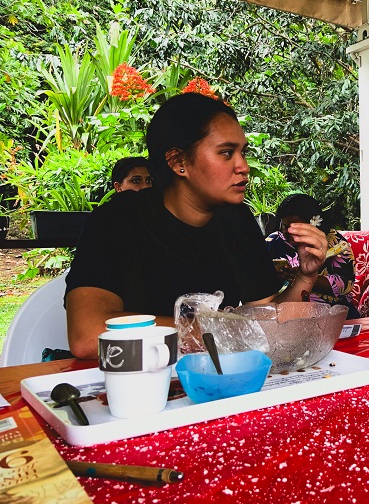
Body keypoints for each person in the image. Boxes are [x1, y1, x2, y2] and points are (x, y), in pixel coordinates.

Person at [65, 93, 328, 359]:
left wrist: (306, 276)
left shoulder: (236, 221)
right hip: (136, 375)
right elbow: (87, 334)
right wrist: (222, 330)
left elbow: (269, 320)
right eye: (227, 153)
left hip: (214, 374)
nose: (243, 167)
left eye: (243, 153)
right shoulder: (117, 220)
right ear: (179, 163)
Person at [266, 193, 359, 319]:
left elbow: (345, 285)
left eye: (298, 228)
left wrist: (301, 277)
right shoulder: (273, 242)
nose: (291, 234)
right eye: (285, 227)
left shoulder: (335, 243)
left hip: (333, 315)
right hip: (285, 316)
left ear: (314, 223)